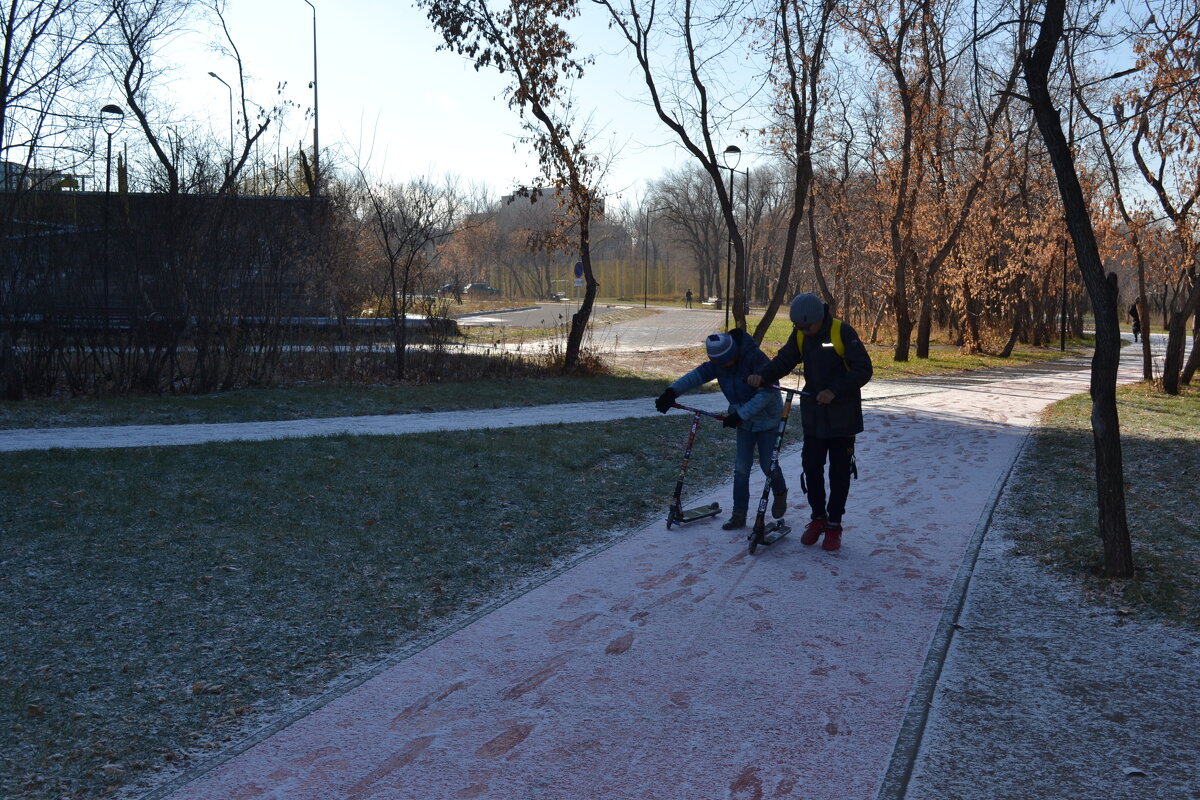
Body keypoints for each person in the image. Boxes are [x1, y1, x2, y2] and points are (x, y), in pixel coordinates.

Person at [747, 293, 872, 551]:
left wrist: (835, 390)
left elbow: (863, 369)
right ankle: (818, 518)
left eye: (806, 327)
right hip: (814, 416)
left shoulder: (842, 332)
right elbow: (785, 359)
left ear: (819, 319)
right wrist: (762, 376)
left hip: (843, 418)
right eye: (798, 328)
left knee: (839, 473)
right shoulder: (802, 334)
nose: (803, 331)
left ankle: (834, 524)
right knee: (811, 467)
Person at [656, 330, 787, 530]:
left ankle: (780, 493)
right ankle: (739, 514)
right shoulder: (719, 363)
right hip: (743, 421)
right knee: (741, 469)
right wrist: (672, 391)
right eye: (720, 364)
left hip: (767, 419)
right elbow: (697, 375)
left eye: (728, 361)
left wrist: (739, 414)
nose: (725, 367)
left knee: (767, 464)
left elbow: (767, 394)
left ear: (734, 352)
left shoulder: (755, 359)